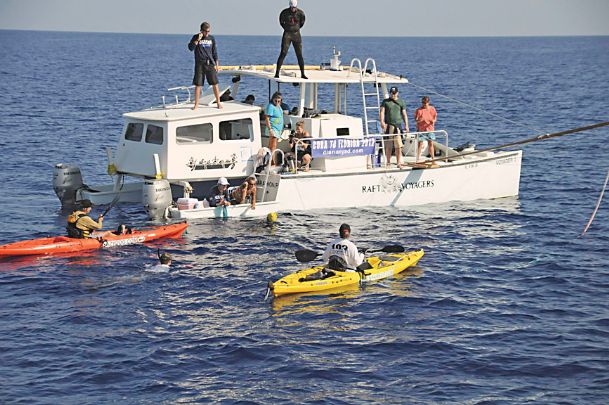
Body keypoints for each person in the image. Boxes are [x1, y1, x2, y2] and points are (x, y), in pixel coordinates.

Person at [188, 22, 222, 110]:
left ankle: (218, 102)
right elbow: (190, 48)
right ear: (201, 31)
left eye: (208, 31)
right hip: (200, 64)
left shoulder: (211, 38)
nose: (207, 33)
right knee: (198, 84)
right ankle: (196, 105)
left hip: (210, 64)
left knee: (215, 83)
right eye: (206, 31)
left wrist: (217, 65)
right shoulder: (196, 37)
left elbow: (215, 52)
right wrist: (197, 40)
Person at [275, 0, 308, 79]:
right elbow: (281, 22)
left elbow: (302, 22)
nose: (293, 9)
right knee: (283, 52)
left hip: (296, 34)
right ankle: (277, 72)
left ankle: (303, 73)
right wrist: (287, 28)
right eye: (292, 7)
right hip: (287, 34)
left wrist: (296, 28)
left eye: (294, 8)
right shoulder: (284, 12)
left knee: (299, 54)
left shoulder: (301, 13)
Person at [379, 86, 409, 168]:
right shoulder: (385, 102)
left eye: (395, 93)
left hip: (398, 126)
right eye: (392, 93)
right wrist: (382, 121)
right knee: (388, 145)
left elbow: (404, 114)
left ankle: (398, 162)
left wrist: (406, 125)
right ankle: (388, 162)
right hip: (388, 125)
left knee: (398, 146)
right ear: (390, 93)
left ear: (397, 93)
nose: (393, 95)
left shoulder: (401, 102)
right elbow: (382, 112)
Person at [414, 96, 438, 163]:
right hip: (421, 129)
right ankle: (417, 159)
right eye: (423, 103)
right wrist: (420, 120)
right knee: (420, 144)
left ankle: (433, 158)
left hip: (430, 129)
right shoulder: (419, 110)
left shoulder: (432, 109)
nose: (424, 104)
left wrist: (433, 121)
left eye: (425, 103)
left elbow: (435, 117)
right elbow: (416, 120)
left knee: (431, 143)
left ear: (428, 102)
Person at [265, 92, 285, 163]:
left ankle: (268, 160)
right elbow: (267, 118)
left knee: (272, 146)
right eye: (275, 100)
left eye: (279, 101)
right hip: (273, 128)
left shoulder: (279, 106)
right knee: (273, 146)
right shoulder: (271, 106)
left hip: (278, 129)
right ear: (272, 99)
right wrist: (270, 129)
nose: (277, 102)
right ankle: (272, 162)